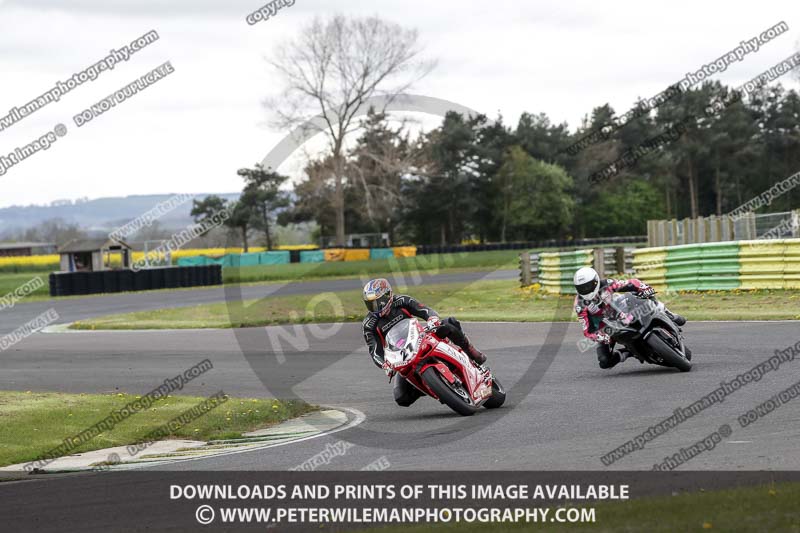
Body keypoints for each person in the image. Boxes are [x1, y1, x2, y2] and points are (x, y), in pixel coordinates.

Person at [361, 278, 486, 407]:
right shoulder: (369, 325)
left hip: (421, 337)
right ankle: (433, 384)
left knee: (449, 323)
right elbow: (375, 352)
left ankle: (471, 352)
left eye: (379, 302)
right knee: (401, 398)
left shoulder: (402, 301)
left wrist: (432, 319)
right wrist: (385, 365)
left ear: (388, 296)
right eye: (371, 304)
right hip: (402, 355)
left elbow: (425, 310)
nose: (376, 308)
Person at [573, 266, 687, 369]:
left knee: (648, 298)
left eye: (588, 286)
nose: (586, 290)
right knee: (604, 362)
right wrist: (600, 336)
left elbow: (631, 283)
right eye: (582, 288)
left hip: (620, 309)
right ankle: (628, 352)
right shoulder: (580, 305)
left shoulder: (607, 283)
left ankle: (668, 313)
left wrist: (644, 288)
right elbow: (587, 330)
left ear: (595, 281)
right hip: (605, 327)